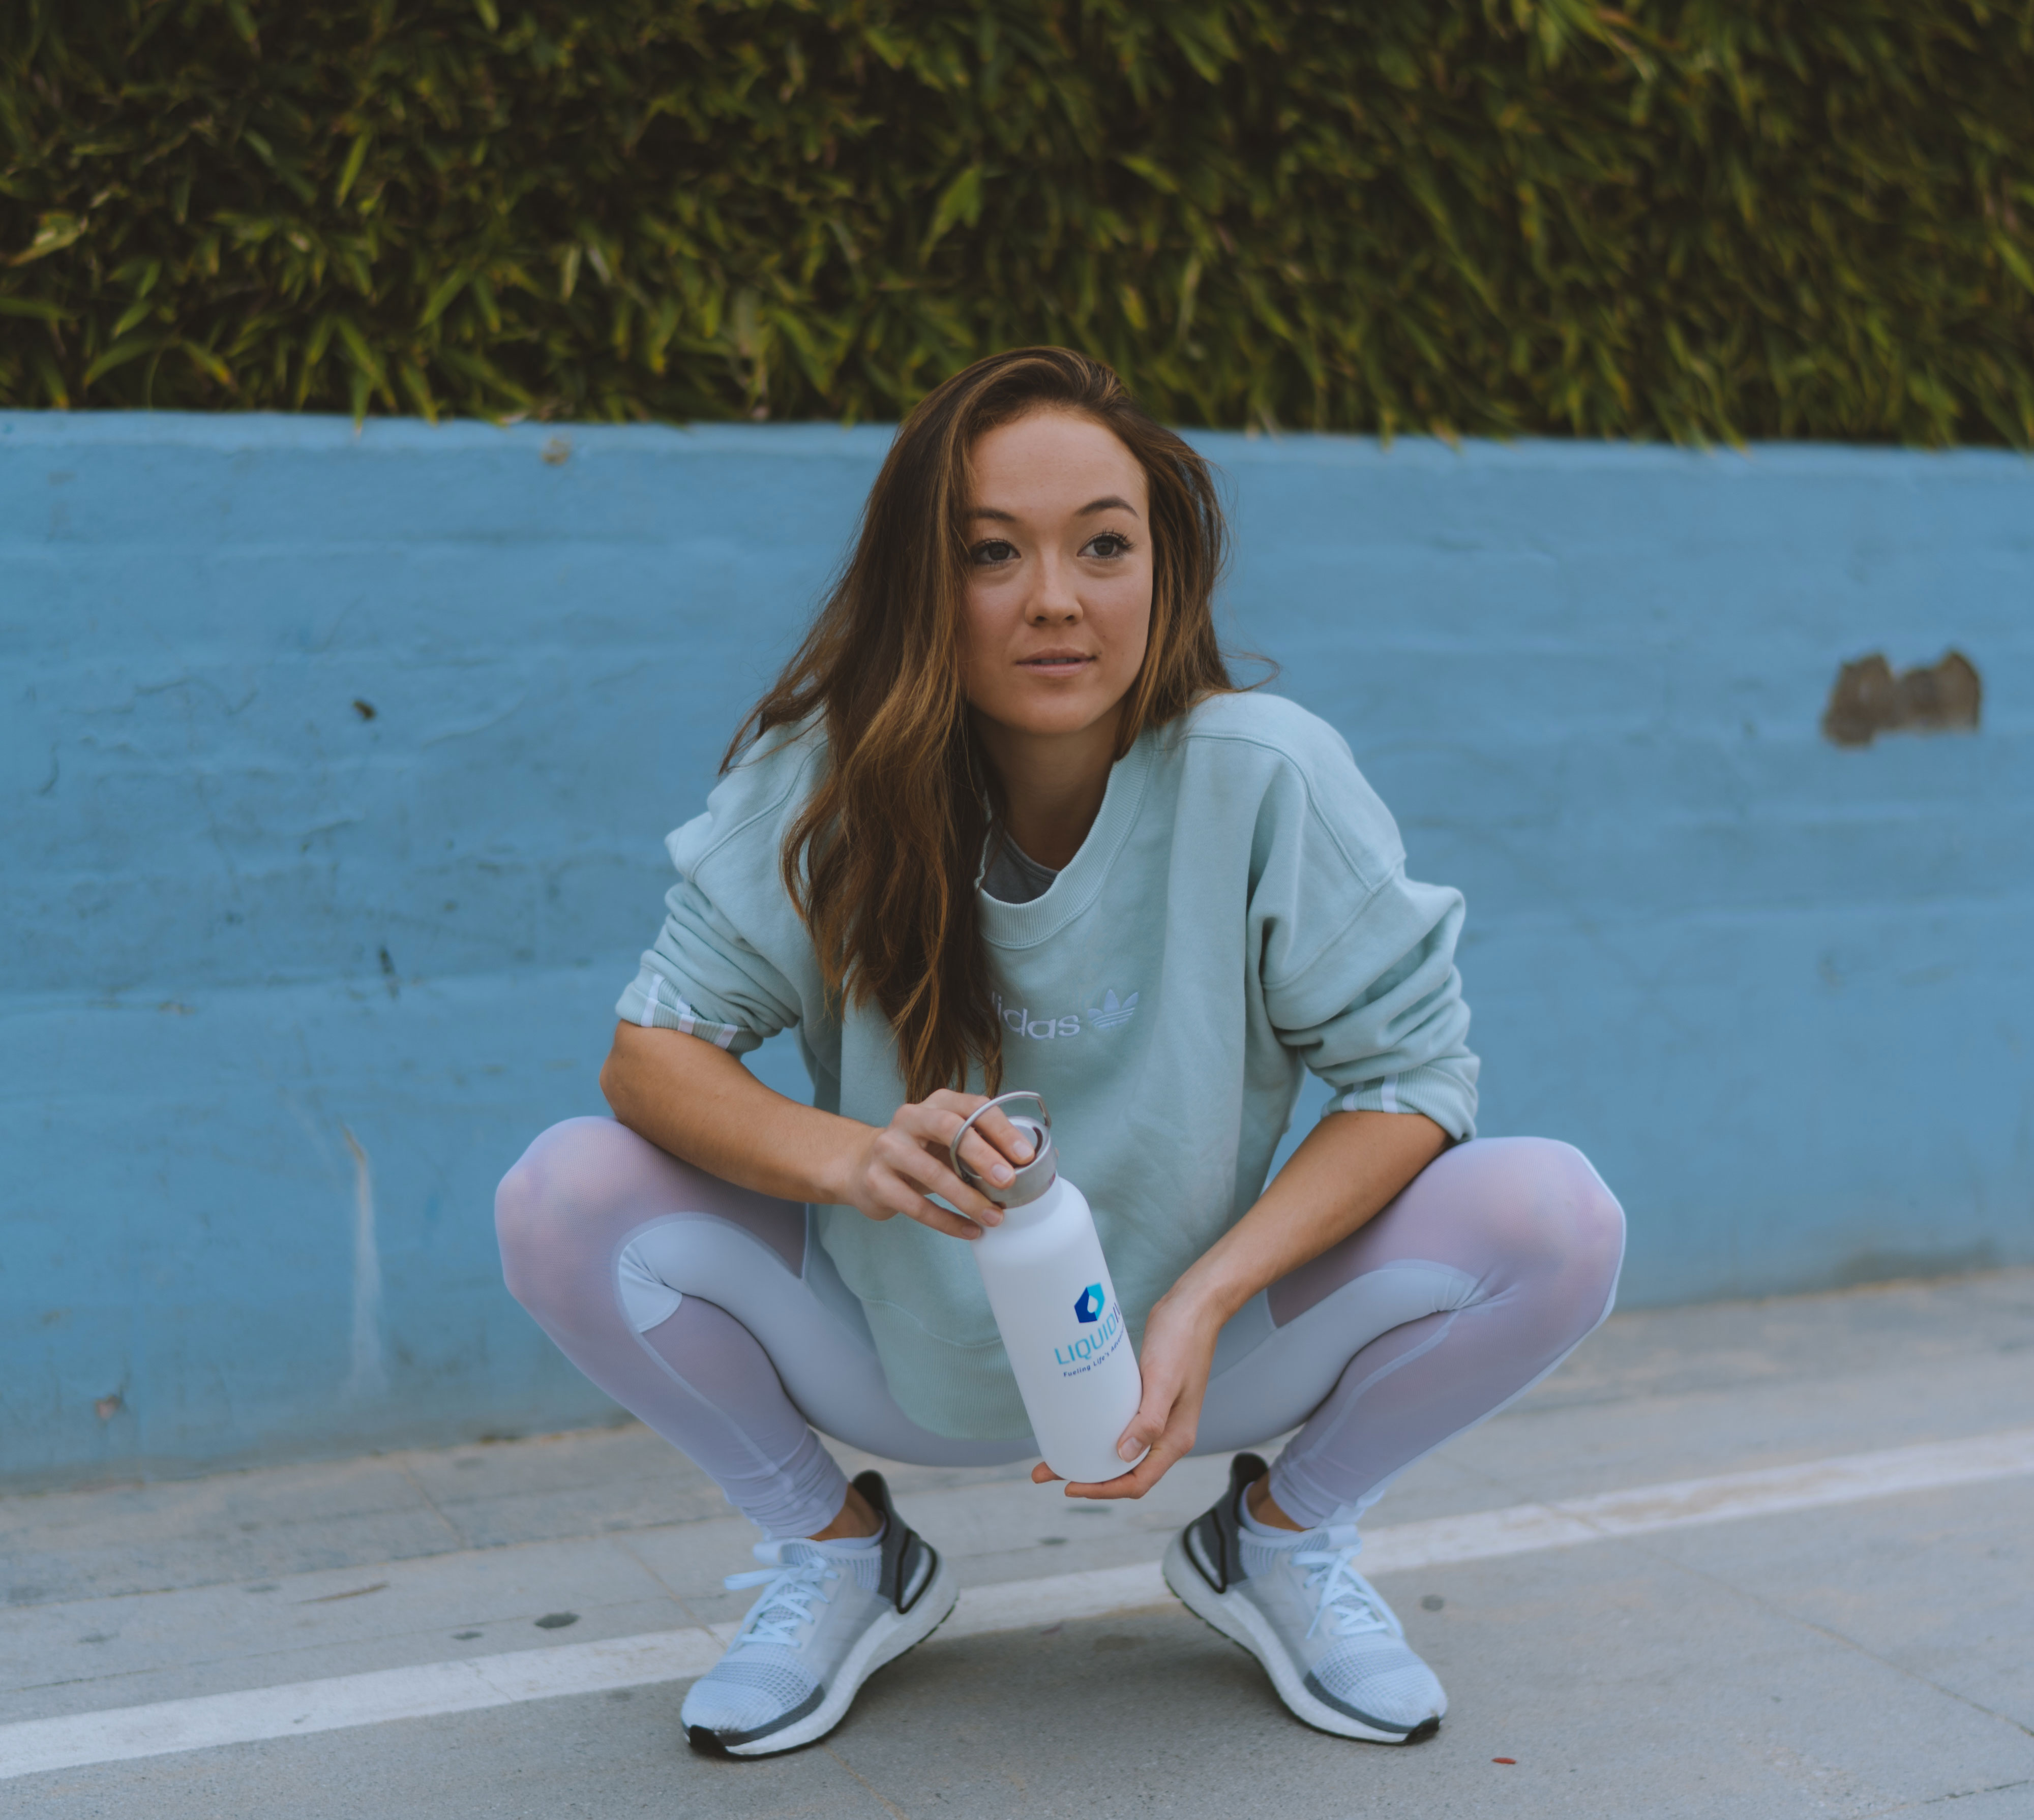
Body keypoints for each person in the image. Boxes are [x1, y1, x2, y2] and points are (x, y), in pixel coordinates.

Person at [495, 346, 1625, 1757]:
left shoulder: (1264, 773)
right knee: (561, 1196)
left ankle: (1278, 1538)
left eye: (1104, 544)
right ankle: (842, 1552)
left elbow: (1414, 1080)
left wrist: (1209, 1296)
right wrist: (855, 1158)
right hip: (894, 1350)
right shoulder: (831, 781)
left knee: (1559, 1217)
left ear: (1166, 566)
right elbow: (651, 1054)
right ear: (925, 579)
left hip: (1194, 1357)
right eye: (992, 552)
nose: (1055, 599)